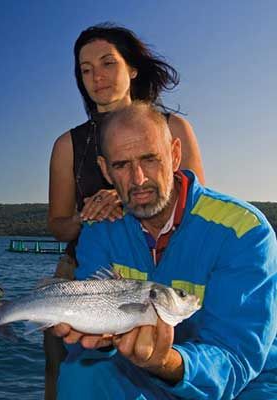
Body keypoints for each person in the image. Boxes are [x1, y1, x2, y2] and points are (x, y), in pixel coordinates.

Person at [52, 102, 277, 399]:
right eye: (121, 165)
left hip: (243, 383)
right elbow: (81, 338)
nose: (139, 179)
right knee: (80, 374)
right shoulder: (98, 230)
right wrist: (100, 340)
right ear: (106, 170)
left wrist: (167, 362)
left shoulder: (244, 230)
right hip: (132, 371)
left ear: (174, 155)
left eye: (149, 159)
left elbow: (235, 355)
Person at [45, 23, 205, 399]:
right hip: (86, 277)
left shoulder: (174, 128)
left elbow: (195, 208)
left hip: (163, 272)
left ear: (132, 67)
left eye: (107, 63)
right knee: (64, 366)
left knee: (177, 368)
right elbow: (58, 228)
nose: (96, 76)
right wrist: (87, 216)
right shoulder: (68, 145)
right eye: (85, 70)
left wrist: (127, 195)